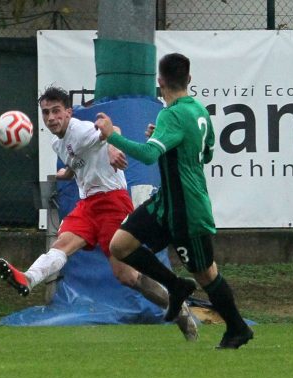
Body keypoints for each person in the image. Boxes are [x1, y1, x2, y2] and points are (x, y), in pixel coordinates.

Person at [0, 85, 198, 340]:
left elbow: (114, 131)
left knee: (126, 276)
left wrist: (113, 147)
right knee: (61, 245)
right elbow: (76, 160)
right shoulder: (57, 143)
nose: (50, 118)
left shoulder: (80, 129)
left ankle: (178, 308)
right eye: (46, 113)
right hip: (88, 205)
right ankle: (28, 278)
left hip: (113, 202)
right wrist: (66, 174)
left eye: (56, 111)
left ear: (68, 112)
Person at [95, 53, 253, 349]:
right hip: (164, 204)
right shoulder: (198, 111)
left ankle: (237, 327)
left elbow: (147, 155)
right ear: (189, 79)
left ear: (160, 82)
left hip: (186, 208)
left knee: (206, 274)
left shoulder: (171, 114)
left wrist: (110, 136)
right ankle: (176, 285)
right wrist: (166, 138)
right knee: (119, 246)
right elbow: (206, 153)